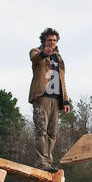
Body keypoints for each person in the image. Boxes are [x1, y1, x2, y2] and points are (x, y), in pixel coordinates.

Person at [29, 27, 73, 170]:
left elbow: (63, 80)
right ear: (44, 41)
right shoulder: (36, 52)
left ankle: (48, 162)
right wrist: (43, 53)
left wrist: (65, 100)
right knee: (41, 130)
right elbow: (34, 58)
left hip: (56, 98)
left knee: (52, 133)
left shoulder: (59, 58)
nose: (52, 43)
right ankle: (41, 162)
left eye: (54, 40)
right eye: (49, 40)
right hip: (42, 96)